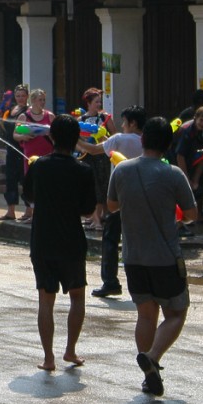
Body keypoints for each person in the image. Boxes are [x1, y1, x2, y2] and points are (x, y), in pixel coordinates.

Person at [107, 117, 197, 397]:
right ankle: (154, 357)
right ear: (168, 145)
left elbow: (111, 206)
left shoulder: (121, 170)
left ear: (143, 140)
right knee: (176, 313)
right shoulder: (173, 174)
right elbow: (192, 214)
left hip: (133, 257)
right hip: (166, 258)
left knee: (146, 316)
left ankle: (149, 374)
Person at [22, 115, 95, 372]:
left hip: (42, 240)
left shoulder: (39, 166)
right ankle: (71, 350)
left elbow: (28, 196)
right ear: (77, 140)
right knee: (77, 298)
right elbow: (87, 210)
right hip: (72, 241)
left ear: (51, 137)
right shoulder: (84, 170)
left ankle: (48, 358)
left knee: (46, 300)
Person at [77, 105, 147, 298]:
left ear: (132, 123)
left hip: (120, 194)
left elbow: (92, 150)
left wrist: (75, 138)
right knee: (138, 239)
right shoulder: (146, 141)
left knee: (110, 239)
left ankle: (110, 282)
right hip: (142, 195)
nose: (122, 126)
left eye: (124, 122)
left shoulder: (118, 139)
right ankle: (143, 283)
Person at [77, 88, 116, 231]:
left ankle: (102, 216)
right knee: (93, 187)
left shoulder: (105, 119)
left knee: (104, 184)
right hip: (87, 156)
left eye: (100, 101)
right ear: (88, 103)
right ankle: (96, 219)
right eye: (96, 102)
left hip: (102, 155)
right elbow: (76, 140)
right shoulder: (80, 120)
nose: (99, 104)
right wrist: (81, 148)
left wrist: (103, 137)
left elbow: (114, 136)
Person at [13, 88, 54, 222]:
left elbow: (56, 135)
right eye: (40, 100)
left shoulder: (50, 116)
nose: (42, 102)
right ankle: (35, 213)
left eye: (44, 100)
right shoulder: (24, 116)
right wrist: (24, 136)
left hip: (47, 153)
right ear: (33, 100)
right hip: (30, 154)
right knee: (33, 183)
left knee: (48, 183)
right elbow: (15, 135)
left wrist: (51, 135)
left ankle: (47, 212)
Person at [0, 85, 29, 221]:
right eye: (18, 96)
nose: (20, 98)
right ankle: (11, 212)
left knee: (25, 179)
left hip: (23, 149)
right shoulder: (10, 110)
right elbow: (5, 128)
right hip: (11, 148)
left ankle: (29, 211)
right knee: (10, 179)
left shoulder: (28, 112)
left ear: (27, 96)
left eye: (23, 95)